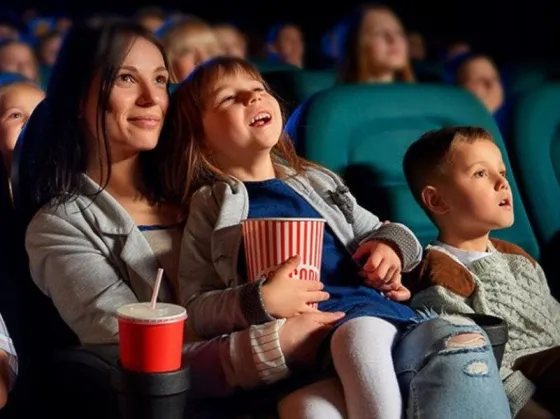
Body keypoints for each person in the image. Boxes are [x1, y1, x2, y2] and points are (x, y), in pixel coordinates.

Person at [163, 56, 512, 419]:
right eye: (229, 98)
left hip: (361, 313)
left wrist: (389, 249)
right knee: (305, 409)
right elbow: (197, 308)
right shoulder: (210, 205)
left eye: (258, 90)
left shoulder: (318, 181)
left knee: (357, 335)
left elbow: (387, 230)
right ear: (200, 138)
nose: (252, 99)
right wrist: (258, 300)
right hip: (298, 347)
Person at [23, 22, 342, 415]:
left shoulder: (216, 183)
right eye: (125, 78)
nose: (151, 98)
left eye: (160, 80)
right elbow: (127, 348)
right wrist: (267, 348)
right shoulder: (59, 226)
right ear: (77, 98)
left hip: (319, 357)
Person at [403, 126, 560, 418]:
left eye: (502, 172)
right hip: (528, 384)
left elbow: (554, 318)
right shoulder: (441, 274)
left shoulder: (518, 258)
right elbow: (479, 364)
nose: (502, 183)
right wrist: (531, 410)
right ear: (437, 201)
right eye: (480, 174)